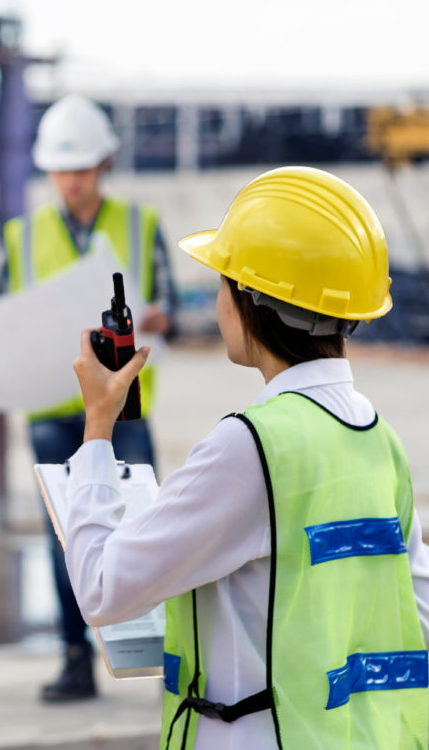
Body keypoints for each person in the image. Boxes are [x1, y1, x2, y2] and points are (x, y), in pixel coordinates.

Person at [65, 166, 429, 748]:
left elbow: (103, 587)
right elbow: (418, 616)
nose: (218, 300)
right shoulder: (378, 439)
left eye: (224, 281)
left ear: (256, 301)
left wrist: (97, 429)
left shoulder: (250, 446)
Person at [0, 94, 176, 702]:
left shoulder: (139, 225)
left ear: (105, 164)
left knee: (144, 528)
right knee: (66, 538)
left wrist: (157, 317)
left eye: (83, 169)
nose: (72, 181)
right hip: (51, 408)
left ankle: (157, 653)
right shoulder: (20, 238)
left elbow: (169, 305)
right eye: (63, 170)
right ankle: (73, 659)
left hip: (124, 407)